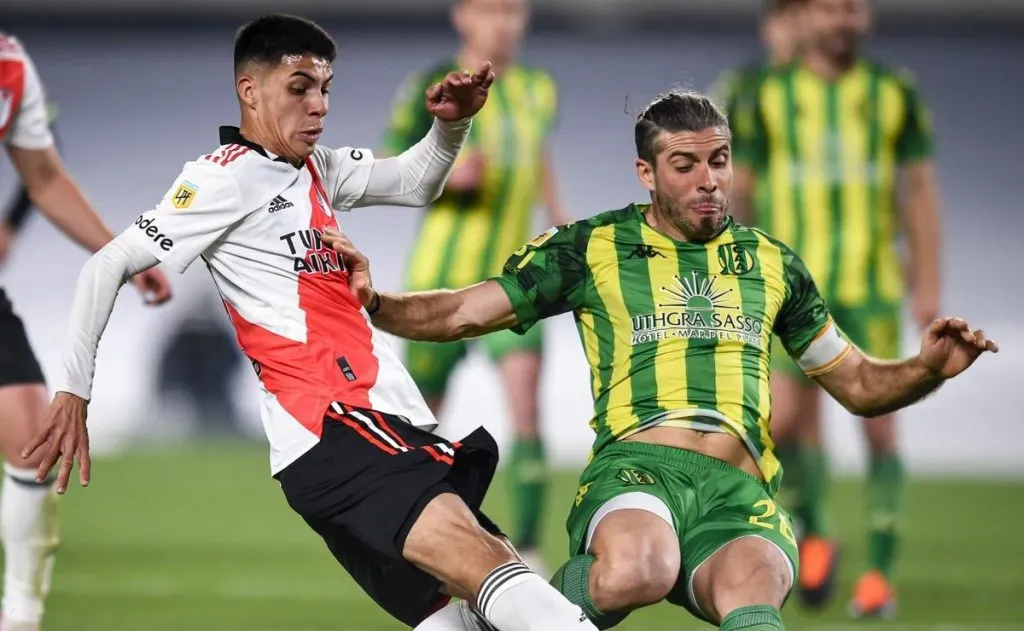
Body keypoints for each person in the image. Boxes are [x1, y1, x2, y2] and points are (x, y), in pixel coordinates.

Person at [318, 90, 995, 631]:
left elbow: (858, 384)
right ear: (647, 171)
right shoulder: (593, 247)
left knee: (758, 601)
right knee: (641, 565)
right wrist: (376, 301)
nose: (710, 181)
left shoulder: (774, 264)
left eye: (720, 160)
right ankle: (508, 620)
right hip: (636, 468)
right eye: (687, 165)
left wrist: (928, 367)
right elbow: (466, 310)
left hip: (739, 490)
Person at [20, 15, 598, 631]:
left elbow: (414, 181)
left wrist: (452, 123)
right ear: (250, 90)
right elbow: (108, 264)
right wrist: (75, 390)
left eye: (325, 88)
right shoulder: (222, 176)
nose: (318, 105)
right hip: (331, 424)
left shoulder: (316, 167)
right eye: (299, 87)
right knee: (489, 566)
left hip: (373, 419)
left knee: (461, 608)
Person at [729, 0, 942, 616]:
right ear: (809, 17)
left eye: (855, 8)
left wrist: (927, 282)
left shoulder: (893, 93)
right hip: (795, 288)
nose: (845, 19)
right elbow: (742, 187)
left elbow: (920, 189)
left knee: (880, 422)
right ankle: (817, 531)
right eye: (832, 9)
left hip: (870, 286)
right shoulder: (764, 92)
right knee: (783, 422)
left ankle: (879, 575)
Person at [382, 0, 569, 572]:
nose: (504, 22)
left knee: (527, 407)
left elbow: (537, 159)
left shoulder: (539, 88)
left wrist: (560, 221)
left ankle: (530, 550)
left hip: (513, 280)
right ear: (462, 16)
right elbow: (394, 169)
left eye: (515, 11)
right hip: (439, 280)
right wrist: (446, 175)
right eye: (492, 9)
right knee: (418, 421)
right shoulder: (428, 85)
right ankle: (404, 533)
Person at [0, 33, 172, 631]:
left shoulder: (10, 66)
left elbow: (44, 178)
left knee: (32, 442)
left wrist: (118, 253)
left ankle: (20, 614)